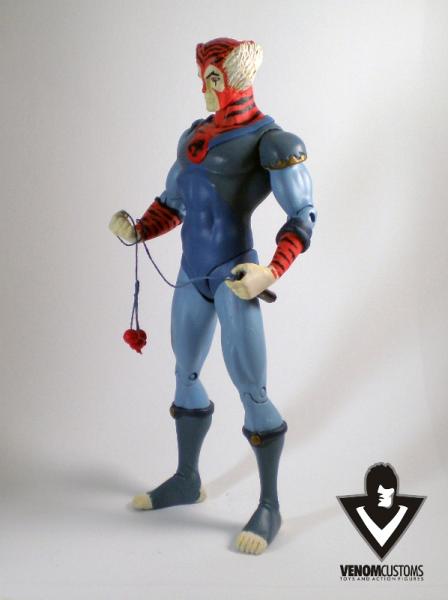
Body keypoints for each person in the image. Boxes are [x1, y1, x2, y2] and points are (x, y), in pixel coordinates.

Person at [109, 37, 316, 555]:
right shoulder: (195, 136)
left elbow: (302, 215)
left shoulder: (272, 141)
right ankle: (187, 478)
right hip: (192, 274)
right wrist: (139, 228)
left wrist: (271, 271)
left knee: (253, 390)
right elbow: (173, 202)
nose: (205, 86)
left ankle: (269, 505)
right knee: (185, 373)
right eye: (203, 76)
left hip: (234, 275)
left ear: (237, 78)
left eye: (214, 77)